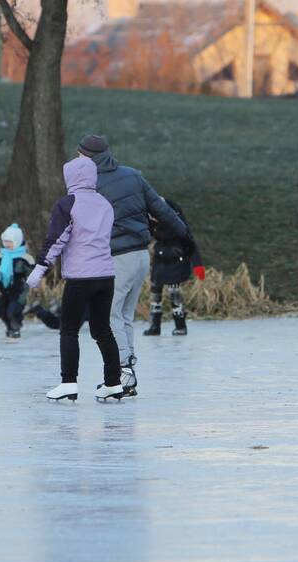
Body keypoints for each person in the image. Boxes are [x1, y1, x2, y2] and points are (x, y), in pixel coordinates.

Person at [78, 134, 187, 396]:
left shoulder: (90, 183)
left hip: (117, 257)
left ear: (90, 157)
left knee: (109, 315)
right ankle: (126, 375)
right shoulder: (132, 175)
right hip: (140, 255)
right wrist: (181, 230)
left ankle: (123, 372)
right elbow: (159, 208)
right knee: (124, 315)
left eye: (80, 155)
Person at [27, 156, 124, 402]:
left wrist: (39, 270)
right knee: (102, 330)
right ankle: (113, 383)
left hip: (81, 278)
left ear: (70, 177)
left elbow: (56, 240)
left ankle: (68, 382)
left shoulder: (67, 204)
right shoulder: (105, 203)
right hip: (105, 276)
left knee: (68, 330)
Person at [144, 198, 205, 336]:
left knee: (174, 291)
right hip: (160, 257)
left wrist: (198, 265)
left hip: (176, 258)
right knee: (155, 290)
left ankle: (180, 325)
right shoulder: (152, 220)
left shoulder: (177, 222)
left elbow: (190, 242)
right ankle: (155, 326)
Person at [0, 223, 35, 339]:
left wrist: (35, 286)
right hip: (3, 289)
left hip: (19, 289)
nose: (7, 244)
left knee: (13, 310)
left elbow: (32, 274)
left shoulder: (25, 258)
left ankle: (15, 328)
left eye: (10, 241)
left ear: (17, 241)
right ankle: (9, 327)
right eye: (5, 241)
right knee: (1, 310)